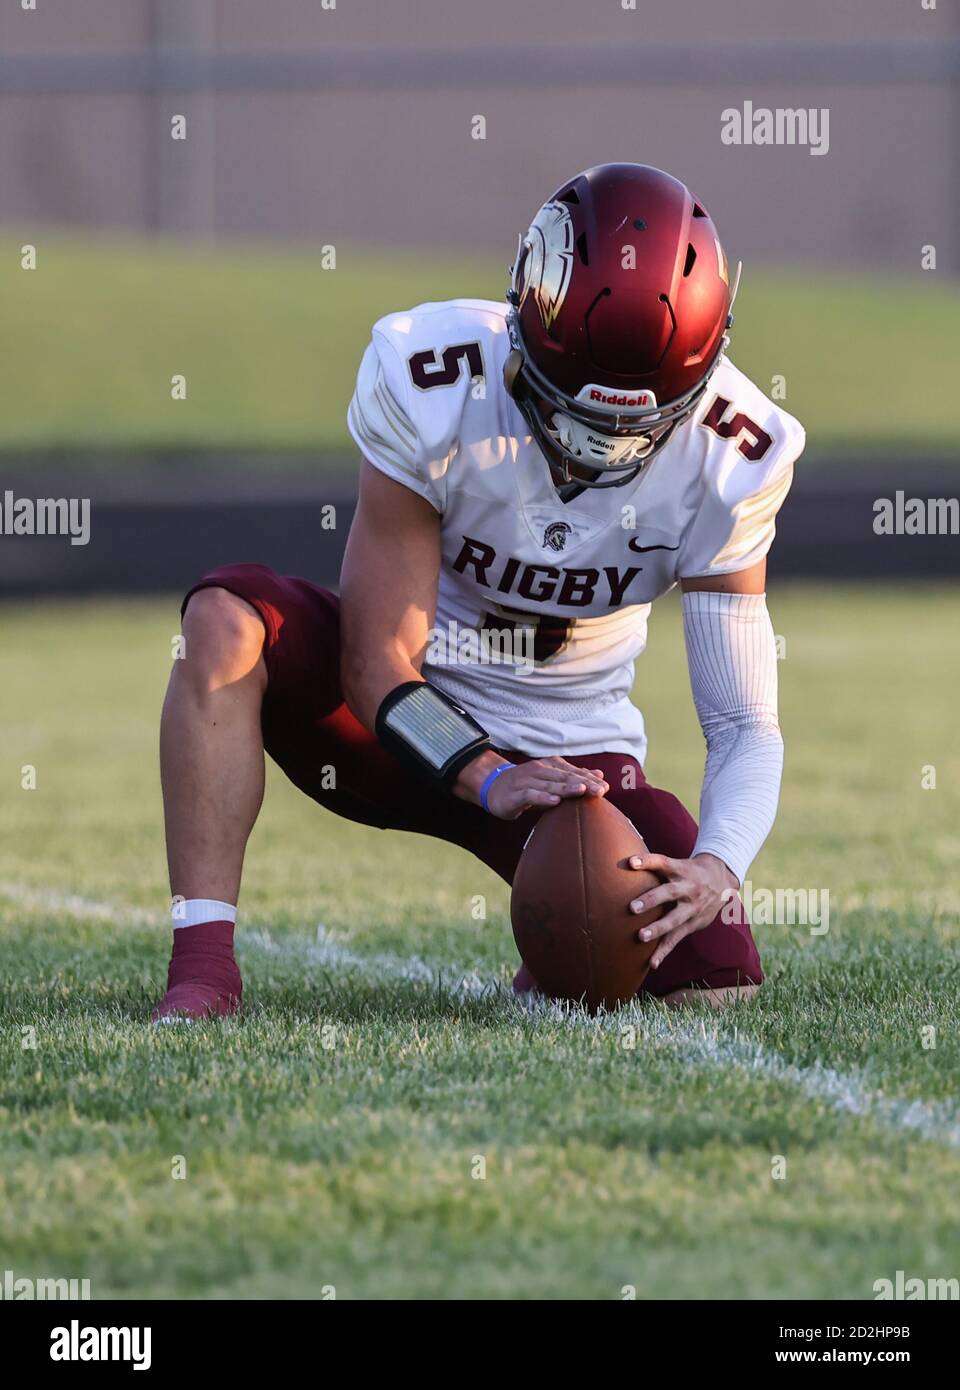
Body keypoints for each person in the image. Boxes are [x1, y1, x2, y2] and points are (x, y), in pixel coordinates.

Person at [154, 162, 804, 1021]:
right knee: (226, 622)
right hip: (394, 722)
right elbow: (378, 663)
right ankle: (203, 970)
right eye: (572, 416)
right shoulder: (432, 377)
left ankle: (560, 955)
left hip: (572, 764)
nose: (595, 454)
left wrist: (717, 864)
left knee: (716, 977)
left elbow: (743, 723)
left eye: (630, 429)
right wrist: (486, 774)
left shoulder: (737, 452)